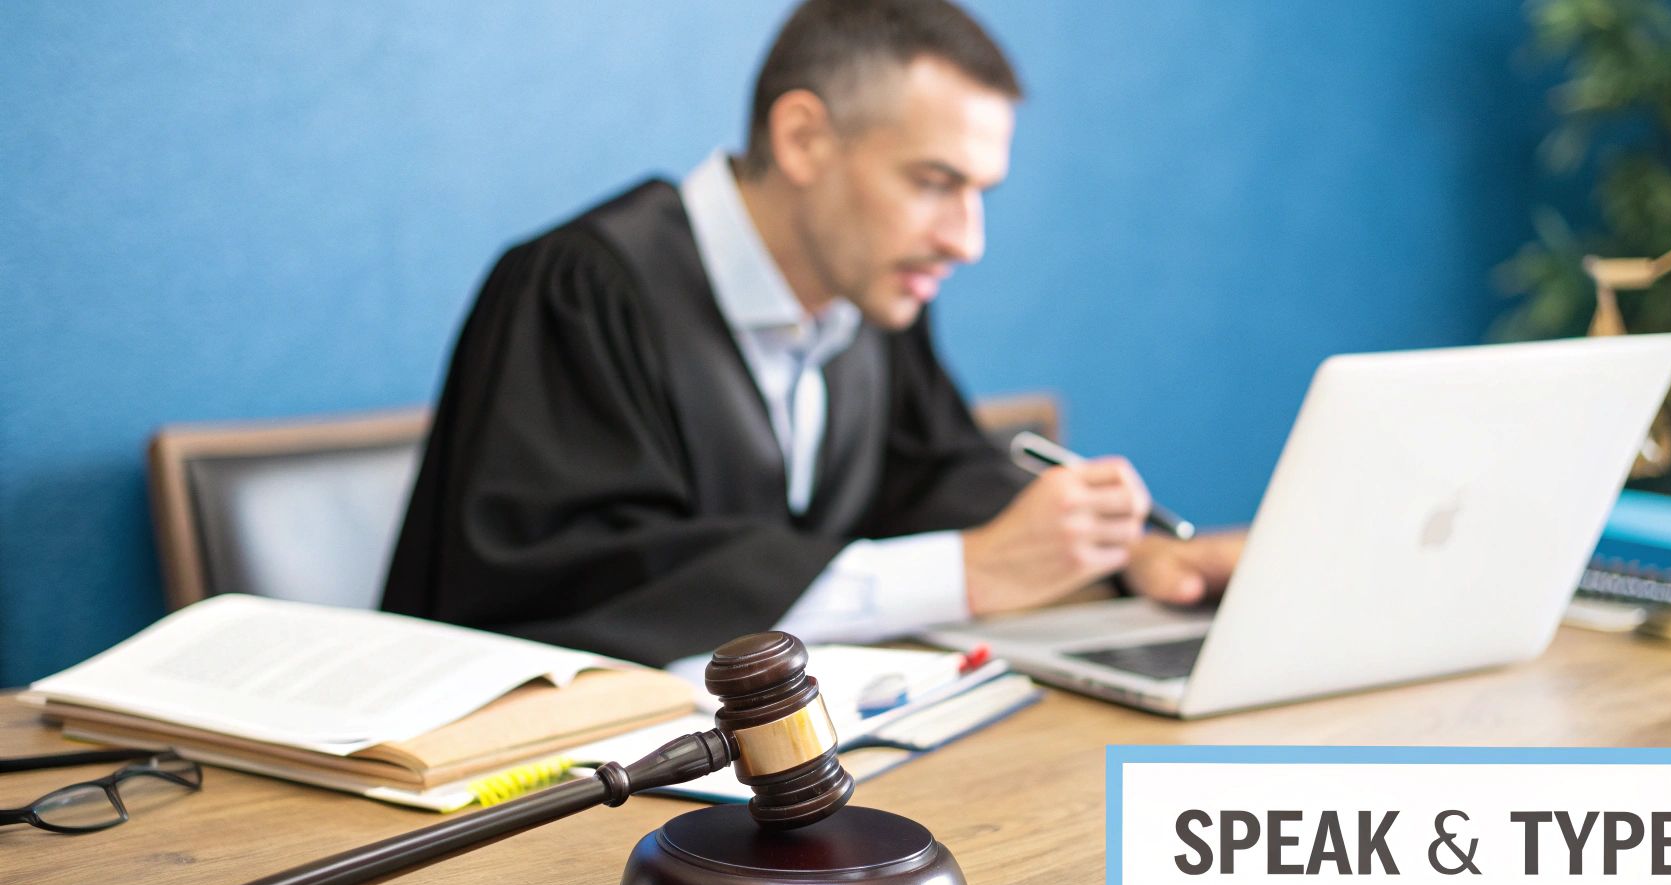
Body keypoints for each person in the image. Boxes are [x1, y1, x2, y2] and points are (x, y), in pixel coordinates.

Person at [382, 0, 1242, 667]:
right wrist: (971, 569)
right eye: (934, 182)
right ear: (803, 139)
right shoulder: (580, 289)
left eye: (980, 192)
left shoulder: (866, 295)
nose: (967, 240)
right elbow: (574, 587)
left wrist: (1129, 555)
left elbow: (931, 477)